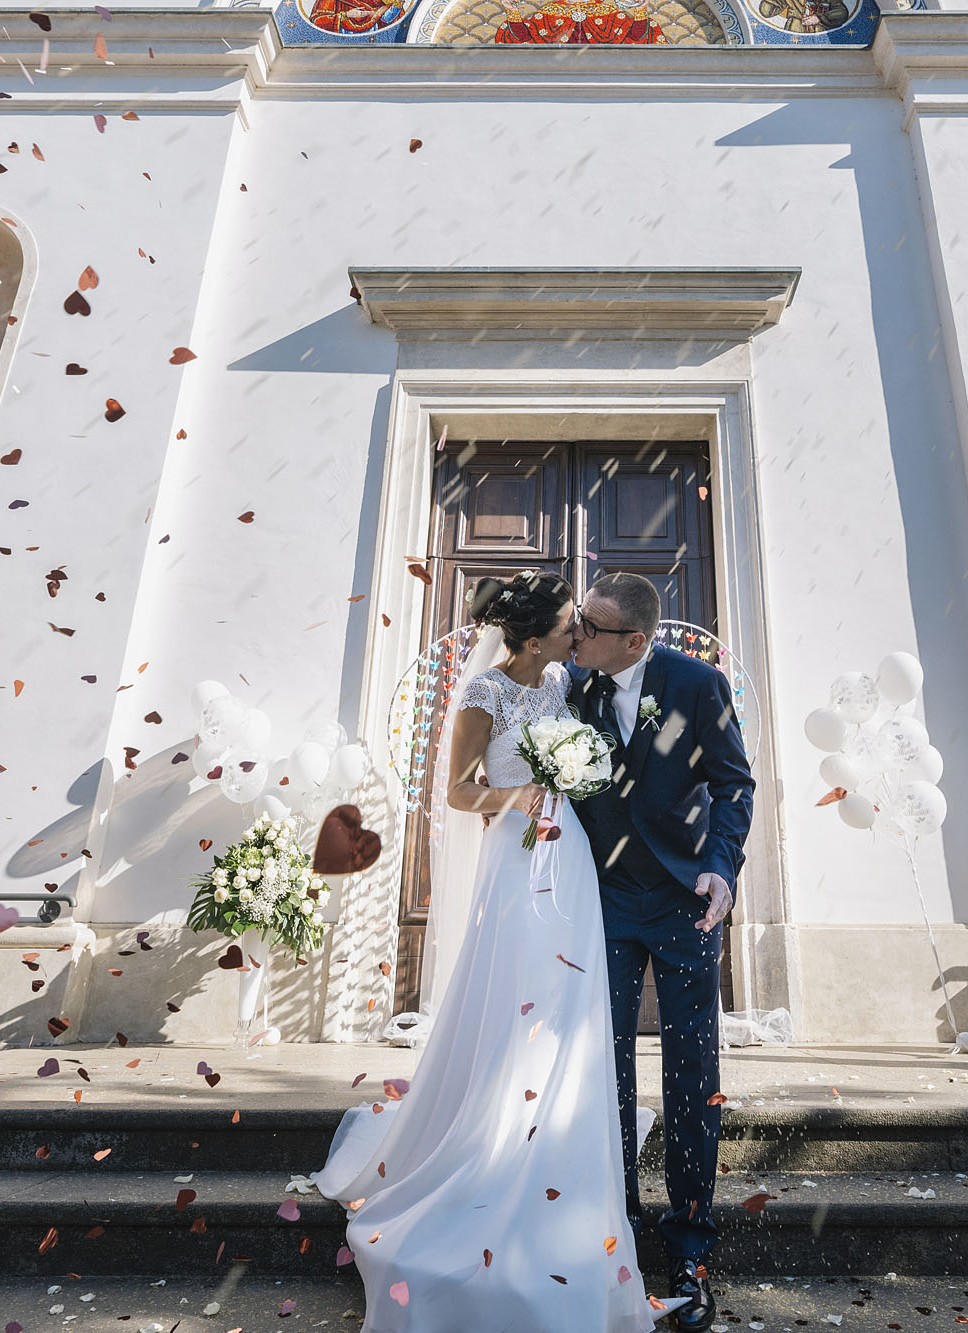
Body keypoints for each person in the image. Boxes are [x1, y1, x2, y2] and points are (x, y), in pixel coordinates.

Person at [312, 571, 680, 1331]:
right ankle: (496, 1138)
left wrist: (571, 777)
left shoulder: (568, 683)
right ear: (536, 633)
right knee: (517, 996)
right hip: (515, 859)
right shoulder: (484, 694)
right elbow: (454, 790)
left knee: (566, 1005)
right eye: (569, 625)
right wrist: (517, 794)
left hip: (570, 857)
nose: (580, 634)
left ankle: (559, 1129)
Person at [567, 572, 755, 1333]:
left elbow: (733, 783)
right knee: (602, 1067)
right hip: (602, 905)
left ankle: (688, 1247)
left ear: (636, 641)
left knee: (691, 1070)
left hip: (684, 904)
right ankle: (615, 1232)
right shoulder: (573, 687)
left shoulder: (698, 683)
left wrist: (723, 865)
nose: (576, 633)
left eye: (591, 625)